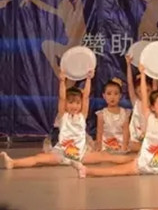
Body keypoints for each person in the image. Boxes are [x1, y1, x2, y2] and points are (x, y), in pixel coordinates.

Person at [1, 71, 134, 169]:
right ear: (66, 104)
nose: (74, 106)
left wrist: (88, 79)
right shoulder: (63, 115)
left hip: (81, 154)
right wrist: (62, 81)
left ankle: (136, 160)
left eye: (77, 103)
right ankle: (13, 162)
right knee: (39, 158)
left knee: (107, 157)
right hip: (62, 153)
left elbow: (86, 97)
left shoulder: (82, 116)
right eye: (71, 102)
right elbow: (62, 97)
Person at [95, 79, 131, 153]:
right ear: (104, 96)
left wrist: (124, 147)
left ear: (120, 95)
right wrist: (99, 147)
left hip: (120, 144)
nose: (112, 97)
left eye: (116, 94)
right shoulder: (101, 114)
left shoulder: (125, 113)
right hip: (106, 144)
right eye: (109, 94)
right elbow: (99, 133)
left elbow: (126, 132)